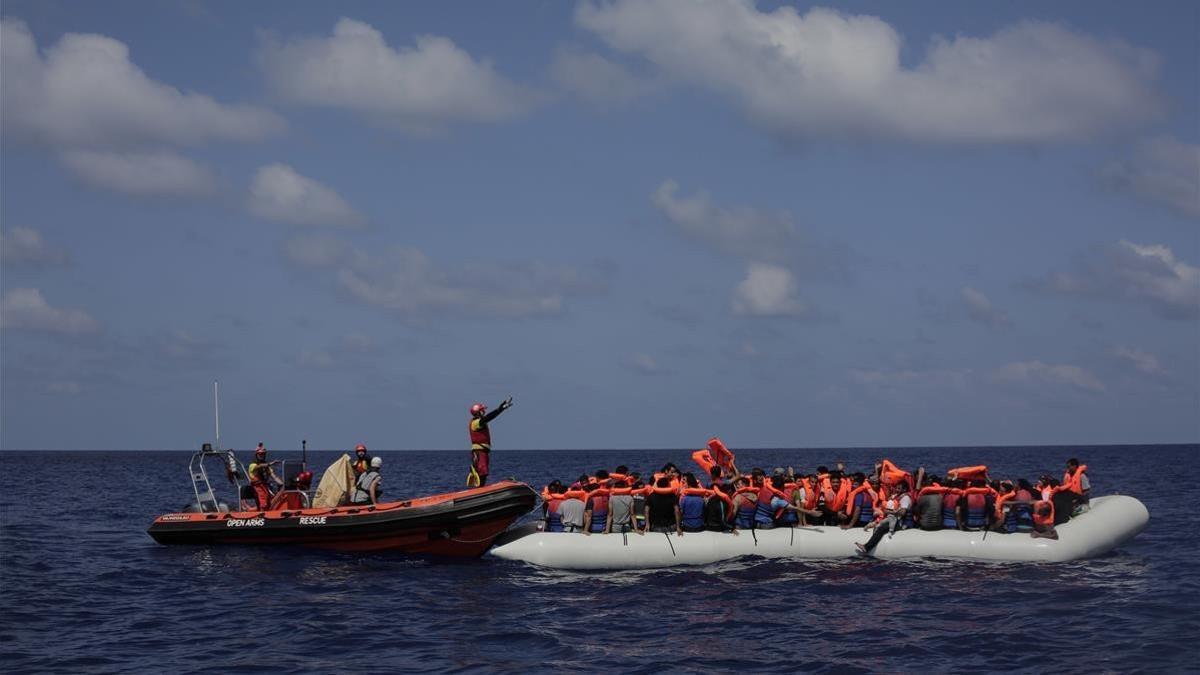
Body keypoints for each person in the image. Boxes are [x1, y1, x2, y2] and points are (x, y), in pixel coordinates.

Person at [466, 396, 514, 487]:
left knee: (483, 471)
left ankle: (479, 484)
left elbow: (487, 418)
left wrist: (501, 409)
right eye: (482, 410)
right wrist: (500, 409)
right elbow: (489, 417)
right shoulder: (476, 423)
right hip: (479, 452)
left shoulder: (479, 422)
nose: (484, 412)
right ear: (478, 412)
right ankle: (480, 488)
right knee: (482, 471)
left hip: (483, 451)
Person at [856, 482, 912, 556]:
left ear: (904, 489)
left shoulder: (905, 498)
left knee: (881, 528)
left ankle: (867, 547)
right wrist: (889, 511)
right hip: (892, 519)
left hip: (902, 523)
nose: (896, 490)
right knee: (877, 524)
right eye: (896, 488)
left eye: (899, 488)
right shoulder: (895, 496)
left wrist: (890, 511)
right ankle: (873, 540)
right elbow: (886, 509)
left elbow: (902, 513)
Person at [246, 443, 281, 510]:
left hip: (265, 486)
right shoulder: (252, 465)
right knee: (263, 498)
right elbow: (260, 466)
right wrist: (271, 463)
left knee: (271, 497)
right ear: (257, 455)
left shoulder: (267, 467)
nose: (262, 455)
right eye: (260, 454)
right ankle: (262, 514)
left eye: (263, 454)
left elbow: (274, 476)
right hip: (257, 487)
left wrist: (282, 484)